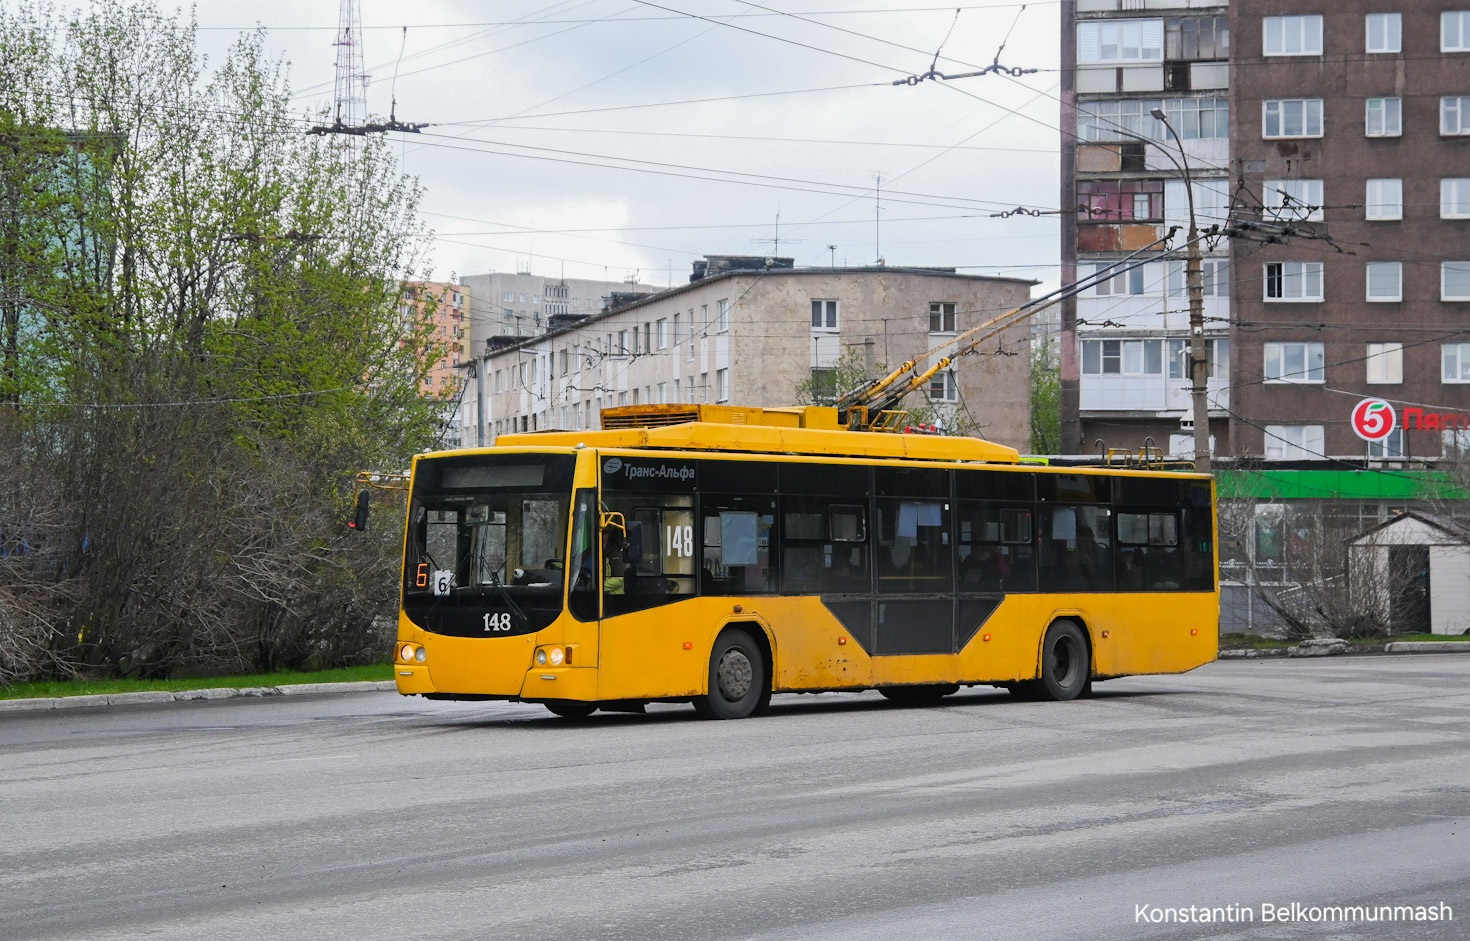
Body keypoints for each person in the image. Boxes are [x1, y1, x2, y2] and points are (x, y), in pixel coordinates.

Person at [602, 528, 627, 595]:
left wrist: (600, 587)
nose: (603, 536)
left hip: (616, 598)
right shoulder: (601, 552)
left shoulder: (615, 554)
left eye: (604, 534)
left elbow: (620, 579)